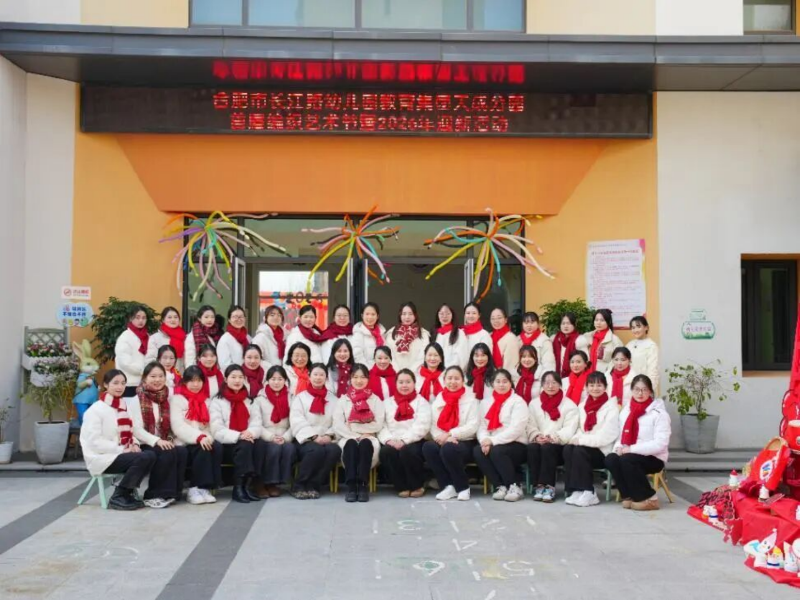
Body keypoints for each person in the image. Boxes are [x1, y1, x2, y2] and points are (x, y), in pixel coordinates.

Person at [80, 370, 156, 510]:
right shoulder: (95, 410)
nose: (120, 387)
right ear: (106, 385)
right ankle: (119, 496)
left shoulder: (123, 406)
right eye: (115, 383)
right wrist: (122, 449)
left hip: (119, 454)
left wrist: (134, 444)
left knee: (150, 455)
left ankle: (126, 493)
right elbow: (94, 442)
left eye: (123, 383)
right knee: (142, 458)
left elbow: (131, 431)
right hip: (101, 457)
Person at [605, 375, 671, 511]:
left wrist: (631, 449)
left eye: (644, 390)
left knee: (627, 460)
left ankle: (650, 498)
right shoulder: (626, 410)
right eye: (636, 389)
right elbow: (621, 436)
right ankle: (629, 495)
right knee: (611, 459)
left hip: (654, 457)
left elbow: (660, 444)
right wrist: (618, 448)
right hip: (630, 453)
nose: (640, 393)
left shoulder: (659, 413)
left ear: (650, 391)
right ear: (631, 391)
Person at [127, 362, 188, 508]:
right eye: (153, 376)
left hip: (162, 441)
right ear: (144, 378)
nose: (157, 380)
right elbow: (136, 429)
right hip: (143, 443)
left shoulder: (166, 398)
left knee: (181, 451)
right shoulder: (137, 399)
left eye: (161, 376)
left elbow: (171, 425)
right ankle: (153, 495)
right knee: (165, 451)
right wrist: (157, 441)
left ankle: (173, 492)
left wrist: (170, 439)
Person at [209, 365, 266, 504]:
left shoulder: (249, 400)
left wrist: (250, 432)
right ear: (225, 379)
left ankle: (248, 485)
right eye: (233, 377)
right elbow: (217, 429)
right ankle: (238, 487)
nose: (237, 380)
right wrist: (239, 435)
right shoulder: (217, 401)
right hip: (227, 444)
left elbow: (257, 423)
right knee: (245, 446)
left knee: (260, 445)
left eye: (241, 377)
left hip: (246, 440)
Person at [563, 372, 620, 507]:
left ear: (605, 387)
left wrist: (581, 440)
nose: (595, 388)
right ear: (587, 388)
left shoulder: (611, 407)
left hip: (602, 451)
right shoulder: (582, 406)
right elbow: (578, 429)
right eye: (592, 385)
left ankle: (589, 491)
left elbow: (607, 436)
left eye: (599, 385)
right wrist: (577, 439)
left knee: (579, 450)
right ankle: (576, 490)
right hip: (586, 447)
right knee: (568, 449)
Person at [423, 366, 480, 502]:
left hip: (465, 440)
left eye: (456, 378)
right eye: (449, 378)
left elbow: (473, 426)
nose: (453, 382)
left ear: (462, 380)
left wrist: (450, 434)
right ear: (444, 380)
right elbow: (433, 424)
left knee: (449, 449)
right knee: (429, 447)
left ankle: (463, 487)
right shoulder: (439, 399)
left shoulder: (471, 399)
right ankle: (448, 486)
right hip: (444, 439)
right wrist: (442, 437)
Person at [170, 365, 223, 505]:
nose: (195, 384)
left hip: (202, 438)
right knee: (202, 448)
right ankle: (194, 488)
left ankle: (205, 488)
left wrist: (206, 437)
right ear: (184, 382)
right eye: (191, 381)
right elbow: (178, 426)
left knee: (216, 446)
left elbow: (210, 427)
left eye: (199, 381)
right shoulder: (177, 399)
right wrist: (199, 437)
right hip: (183, 441)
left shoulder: (206, 401)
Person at [473, 369, 529, 502]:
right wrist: (484, 440)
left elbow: (516, 429)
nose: (501, 385)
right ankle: (500, 486)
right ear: (492, 384)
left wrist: (492, 441)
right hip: (493, 443)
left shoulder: (518, 401)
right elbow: (482, 426)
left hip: (516, 444)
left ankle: (514, 486)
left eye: (505, 381)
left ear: (511, 383)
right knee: (477, 451)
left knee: (497, 451)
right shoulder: (486, 402)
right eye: (498, 381)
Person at [333, 363, 386, 502]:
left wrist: (352, 425)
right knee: (351, 444)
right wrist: (357, 434)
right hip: (347, 437)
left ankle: (363, 485)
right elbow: (338, 425)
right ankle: (351, 486)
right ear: (350, 379)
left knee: (366, 444)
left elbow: (378, 424)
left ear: (368, 379)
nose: (359, 380)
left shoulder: (375, 400)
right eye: (355, 377)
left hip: (369, 438)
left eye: (363, 377)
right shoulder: (343, 400)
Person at [289, 364, 341, 499]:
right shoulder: (300, 398)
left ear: (326, 378)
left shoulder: (333, 399)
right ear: (309, 376)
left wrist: (329, 436)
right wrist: (313, 437)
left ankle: (314, 485)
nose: (318, 378)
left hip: (326, 438)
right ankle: (299, 485)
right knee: (315, 450)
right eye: (315, 374)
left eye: (321, 375)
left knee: (334, 450)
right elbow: (297, 420)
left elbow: (338, 421)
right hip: (306, 440)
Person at [378, 369, 432, 498]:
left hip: (414, 440)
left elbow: (422, 425)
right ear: (396, 384)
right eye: (401, 382)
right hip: (392, 440)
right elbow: (381, 425)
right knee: (386, 452)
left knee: (408, 451)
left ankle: (417, 485)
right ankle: (401, 486)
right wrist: (389, 440)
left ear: (414, 383)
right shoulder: (387, 403)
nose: (404, 385)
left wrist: (404, 441)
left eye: (408, 382)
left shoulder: (421, 402)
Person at [526, 371, 579, 503]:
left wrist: (553, 437)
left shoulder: (569, 405)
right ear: (542, 385)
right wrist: (536, 436)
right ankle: (538, 486)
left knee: (547, 448)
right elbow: (529, 424)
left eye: (554, 383)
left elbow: (570, 428)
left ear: (560, 385)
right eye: (547, 383)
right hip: (539, 442)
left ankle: (549, 487)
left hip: (558, 445)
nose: (550, 386)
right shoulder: (534, 404)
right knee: (532, 448)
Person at [253, 365, 297, 498]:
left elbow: (295, 422)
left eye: (280, 379)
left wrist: (285, 437)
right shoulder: (259, 399)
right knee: (274, 448)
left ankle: (275, 483)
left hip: (284, 435)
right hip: (265, 436)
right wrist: (271, 437)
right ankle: (263, 483)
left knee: (289, 448)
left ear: (285, 381)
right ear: (267, 381)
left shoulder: (292, 398)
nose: (276, 382)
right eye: (273, 379)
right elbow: (256, 423)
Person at [114, 304, 150, 397]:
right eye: (137, 317)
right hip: (129, 383)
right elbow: (125, 362)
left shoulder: (147, 336)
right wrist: (144, 371)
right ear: (131, 318)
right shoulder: (125, 337)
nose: (141, 320)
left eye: (144, 318)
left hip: (145, 382)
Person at [146, 306, 195, 371]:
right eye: (169, 317)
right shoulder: (155, 338)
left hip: (180, 374)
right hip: (161, 374)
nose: (173, 320)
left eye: (175, 317)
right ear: (163, 320)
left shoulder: (185, 338)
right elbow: (150, 359)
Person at [386, 302, 430, 371]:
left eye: (410, 314)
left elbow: (423, 356)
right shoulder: (391, 333)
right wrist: (398, 372)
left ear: (415, 315)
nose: (407, 317)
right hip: (396, 373)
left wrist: (411, 372)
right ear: (400, 315)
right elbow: (389, 355)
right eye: (404, 314)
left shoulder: (423, 334)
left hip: (416, 373)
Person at [576, 309, 623, 374]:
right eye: (596, 320)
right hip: (587, 374)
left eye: (602, 320)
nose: (598, 322)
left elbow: (620, 359)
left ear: (608, 322)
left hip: (604, 375)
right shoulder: (587, 337)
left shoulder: (614, 340)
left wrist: (608, 371)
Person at [627, 316, 660, 394]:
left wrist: (649, 389)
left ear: (646, 327)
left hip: (644, 388)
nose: (635, 330)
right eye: (633, 328)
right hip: (630, 386)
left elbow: (653, 371)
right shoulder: (629, 345)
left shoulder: (651, 346)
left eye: (638, 326)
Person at [351, 302, 387, 368]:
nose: (370, 317)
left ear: (377, 316)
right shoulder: (358, 333)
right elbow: (357, 356)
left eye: (373, 314)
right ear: (362, 315)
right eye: (367, 314)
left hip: (382, 369)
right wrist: (371, 370)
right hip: (367, 371)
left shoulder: (381, 333)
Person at [433, 303, 469, 369]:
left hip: (453, 372)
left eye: (448, 313)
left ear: (452, 315)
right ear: (437, 316)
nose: (445, 316)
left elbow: (462, 356)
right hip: (436, 372)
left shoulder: (459, 333)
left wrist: (448, 371)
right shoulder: (434, 333)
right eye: (441, 314)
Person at [252, 305, 287, 369]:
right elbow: (256, 358)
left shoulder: (286, 336)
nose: (276, 317)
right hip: (268, 372)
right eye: (272, 315)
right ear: (265, 318)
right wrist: (272, 369)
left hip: (283, 372)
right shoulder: (261, 337)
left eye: (279, 315)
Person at [217, 305, 251, 370]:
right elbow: (225, 365)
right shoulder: (225, 339)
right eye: (235, 317)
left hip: (249, 374)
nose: (239, 319)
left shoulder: (248, 337)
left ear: (245, 319)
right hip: (234, 375)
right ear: (229, 320)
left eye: (241, 316)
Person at [489, 308, 521, 372]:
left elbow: (511, 364)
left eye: (499, 318)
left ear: (506, 320)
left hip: (504, 375)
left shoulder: (511, 338)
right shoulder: (489, 336)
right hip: (490, 374)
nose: (496, 321)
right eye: (493, 318)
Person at [551, 312, 580, 379]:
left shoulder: (579, 340)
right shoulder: (554, 339)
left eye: (568, 323)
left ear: (574, 324)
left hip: (574, 377)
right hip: (556, 377)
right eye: (563, 323)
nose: (565, 326)